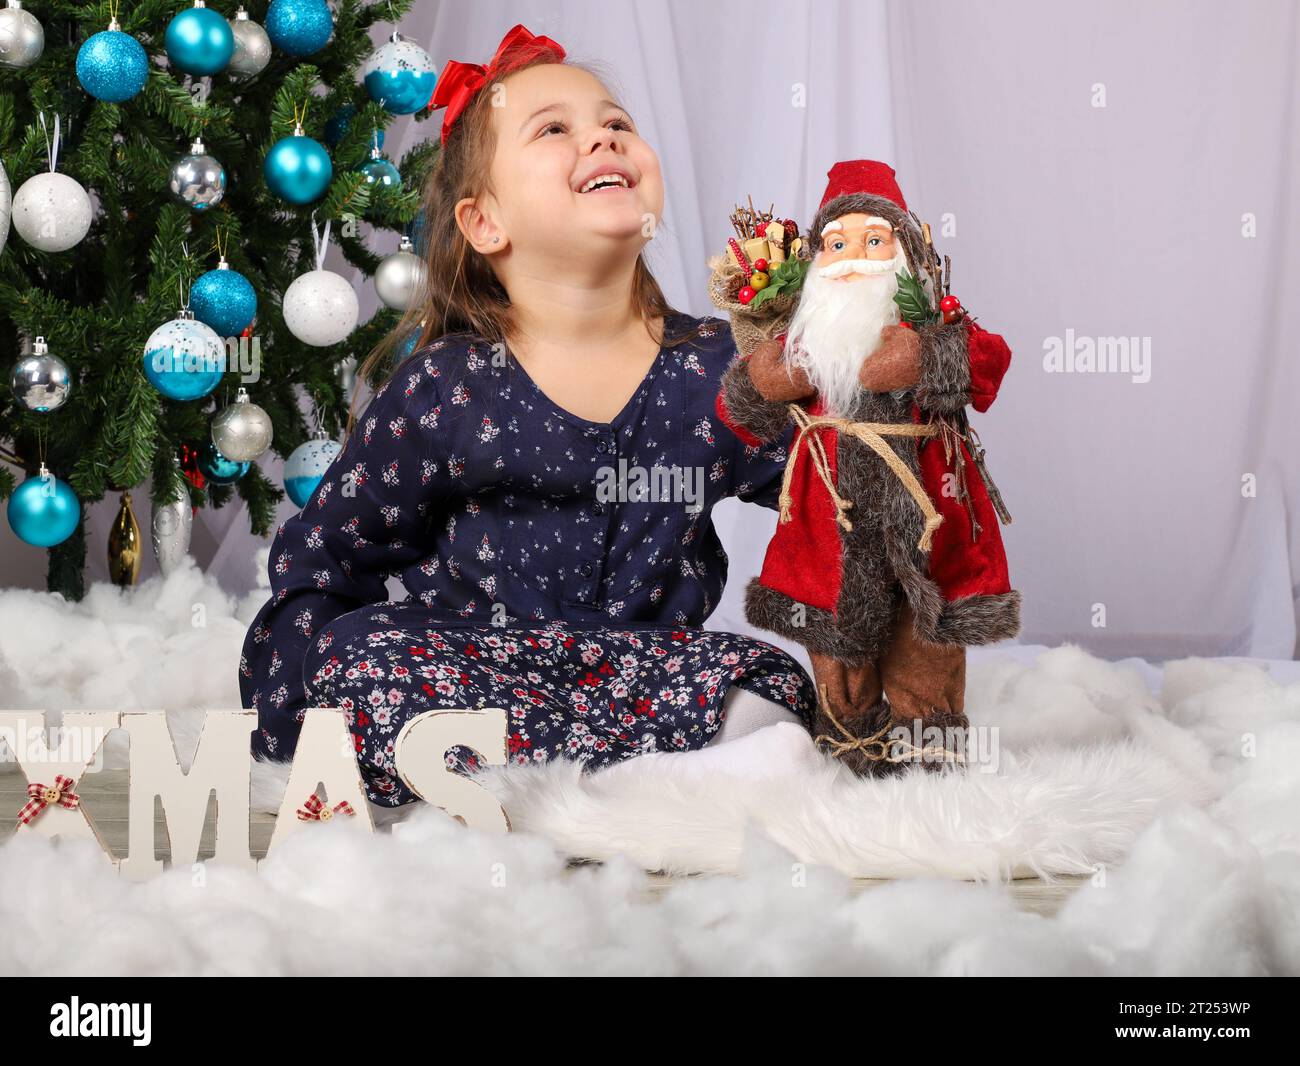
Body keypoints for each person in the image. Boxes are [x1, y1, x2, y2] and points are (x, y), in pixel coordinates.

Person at [237, 24, 818, 808]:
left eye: (617, 125)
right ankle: (616, 785)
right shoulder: (447, 385)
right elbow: (328, 555)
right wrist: (298, 699)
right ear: (485, 224)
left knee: (773, 679)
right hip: (475, 673)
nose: (603, 141)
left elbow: (830, 487)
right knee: (357, 655)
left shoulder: (719, 367)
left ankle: (654, 777)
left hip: (646, 673)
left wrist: (863, 392)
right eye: (556, 130)